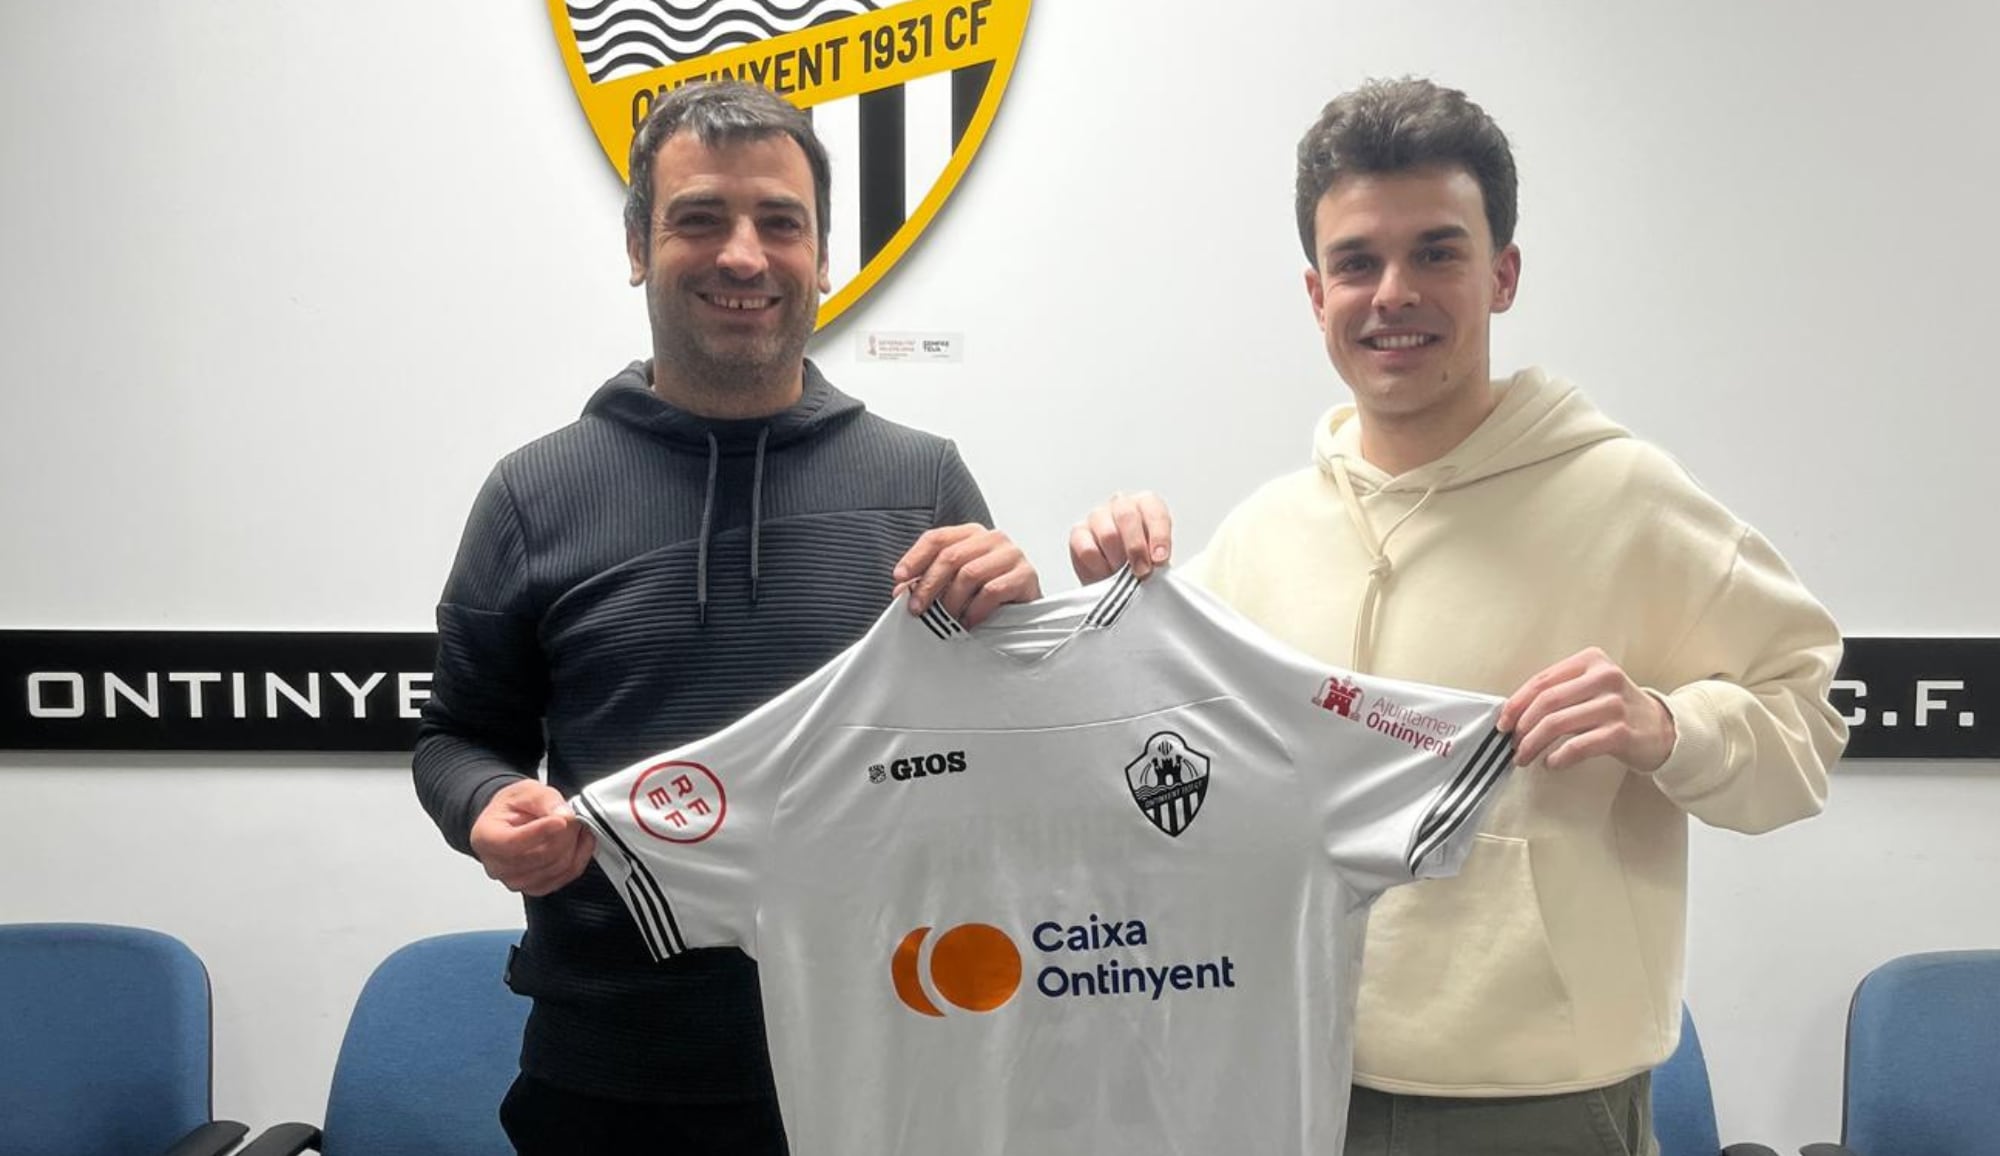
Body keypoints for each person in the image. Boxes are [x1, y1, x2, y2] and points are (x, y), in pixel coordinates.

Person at [1069, 77, 1846, 1155]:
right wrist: (1094, 592)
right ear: (1314, 293)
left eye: (1436, 252)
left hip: (1538, 1105)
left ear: (1501, 274)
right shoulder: (1261, 534)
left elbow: (1803, 729)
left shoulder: (1626, 500)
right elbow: (1122, 753)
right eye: (1356, 261)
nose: (1393, 292)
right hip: (1286, 1079)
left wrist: (1665, 727)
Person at [414, 80, 1039, 1155]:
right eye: (699, 218)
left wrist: (1018, 632)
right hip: (613, 1074)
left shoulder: (923, 481)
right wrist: (483, 801)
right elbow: (456, 733)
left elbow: (1002, 762)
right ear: (635, 246)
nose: (741, 256)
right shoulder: (533, 494)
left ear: (823, 253)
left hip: (894, 1058)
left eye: (778, 223)